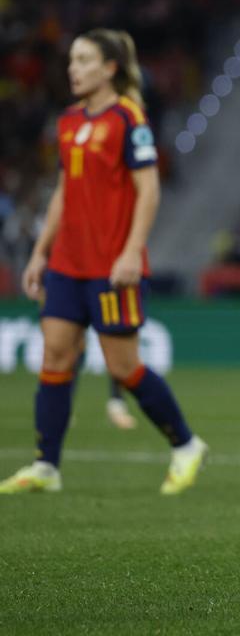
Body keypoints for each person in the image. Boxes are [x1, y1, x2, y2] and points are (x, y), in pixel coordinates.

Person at [0, 29, 208, 495]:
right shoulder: (69, 122)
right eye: (71, 60)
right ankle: (46, 466)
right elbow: (64, 193)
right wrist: (40, 251)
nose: (73, 69)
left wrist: (133, 250)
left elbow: (148, 189)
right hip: (67, 263)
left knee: (122, 366)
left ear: (109, 68)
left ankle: (186, 444)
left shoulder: (128, 119)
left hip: (111, 264)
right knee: (54, 353)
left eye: (83, 60)